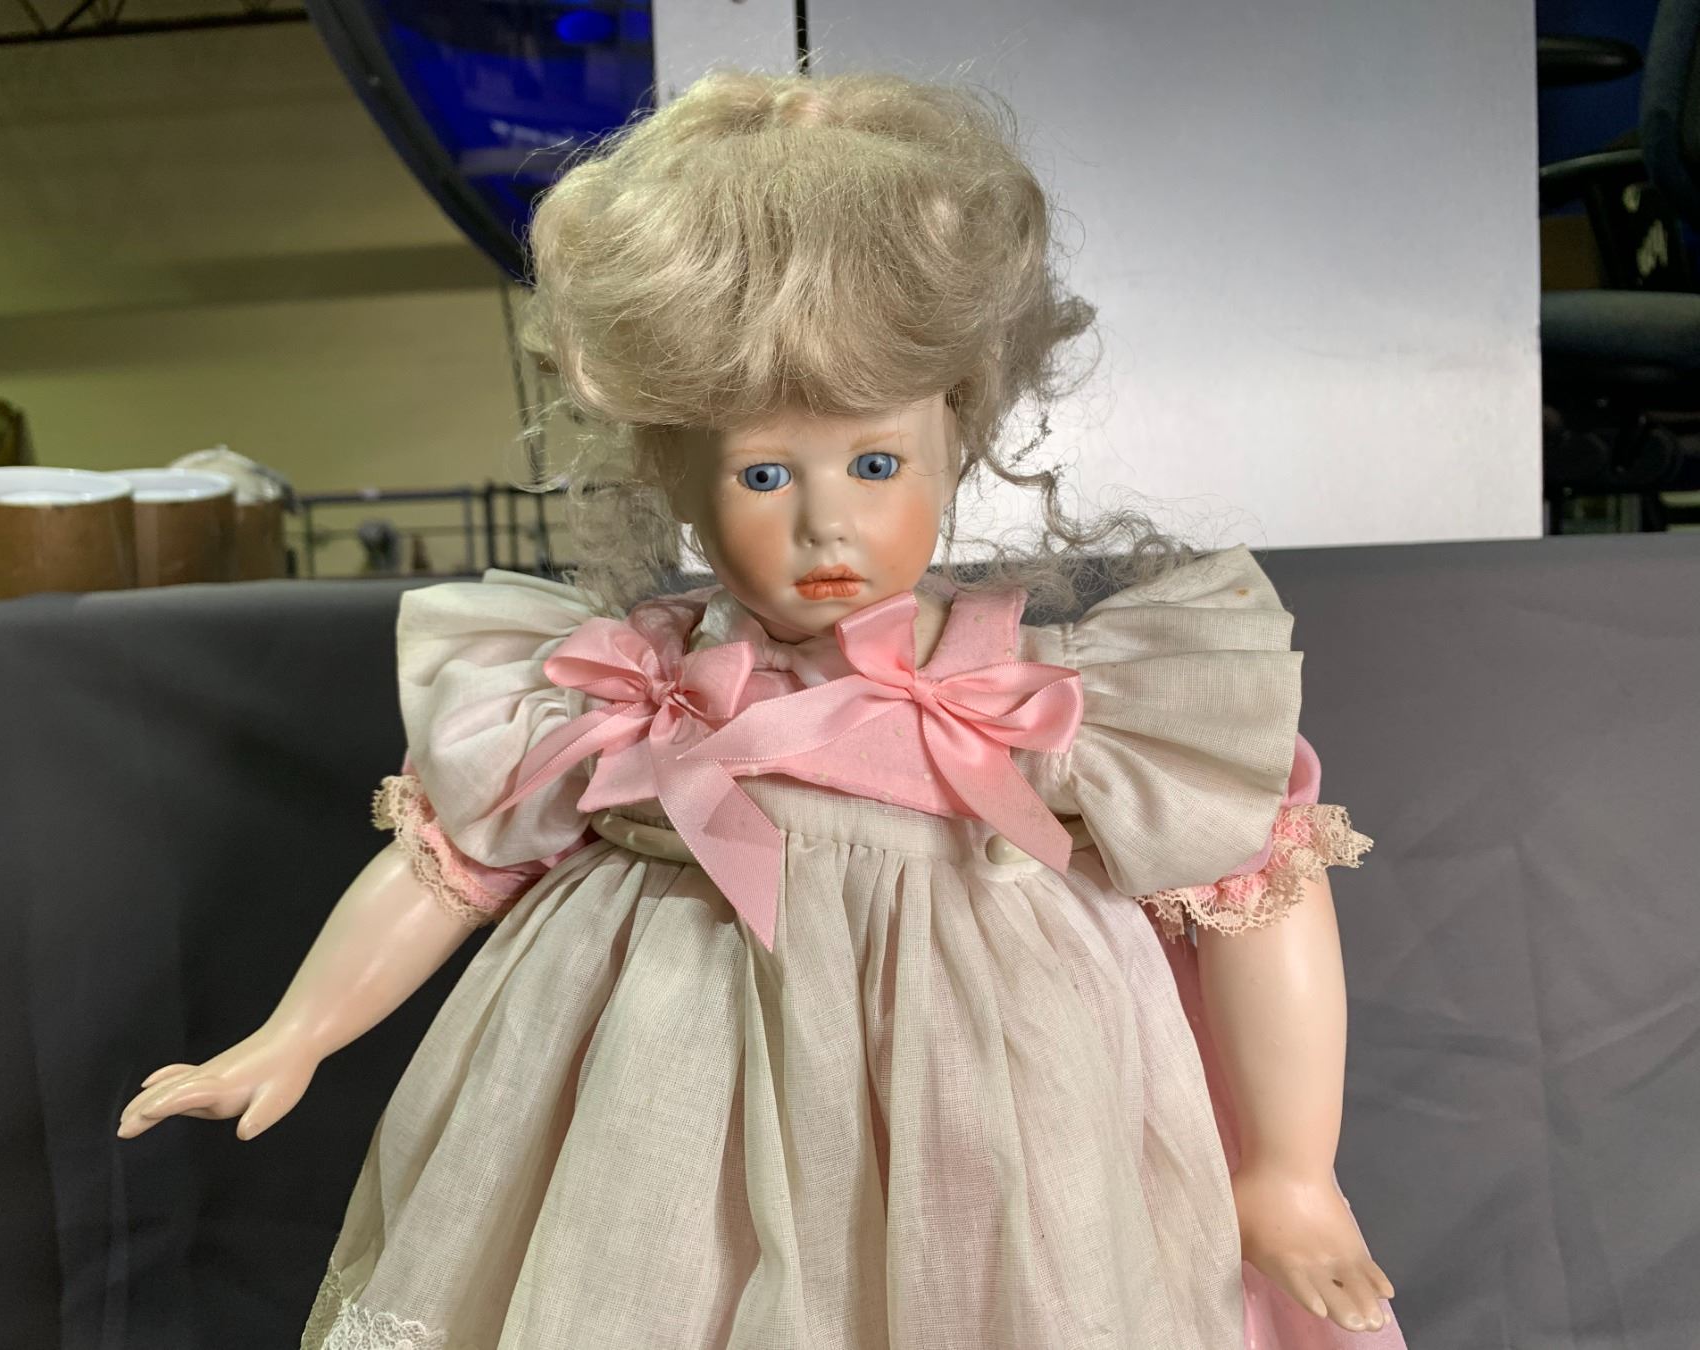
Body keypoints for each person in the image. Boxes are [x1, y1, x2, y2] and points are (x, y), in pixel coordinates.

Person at [119, 70, 1402, 1348]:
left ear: (955, 440)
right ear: (673, 469)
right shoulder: (618, 690)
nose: (828, 522)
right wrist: (294, 1033)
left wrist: (1290, 1170)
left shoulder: (1047, 701)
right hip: (663, 1094)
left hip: (989, 1108)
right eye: (765, 474)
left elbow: (1262, 889)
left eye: (877, 462)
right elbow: (449, 862)